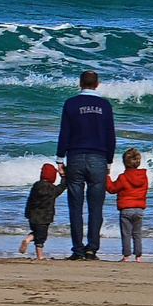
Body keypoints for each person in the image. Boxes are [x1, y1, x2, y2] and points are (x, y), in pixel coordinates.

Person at [57, 70, 117, 260]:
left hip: (75, 156)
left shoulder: (71, 104)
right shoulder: (105, 105)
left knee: (75, 206)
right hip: (98, 158)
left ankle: (77, 249)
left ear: (80, 83)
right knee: (95, 207)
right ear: (97, 84)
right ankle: (92, 249)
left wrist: (59, 159)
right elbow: (111, 137)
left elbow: (64, 133)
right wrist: (109, 161)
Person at [107, 148, 148, 262]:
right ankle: (138, 256)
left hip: (126, 208)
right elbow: (144, 191)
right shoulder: (144, 177)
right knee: (137, 233)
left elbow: (112, 189)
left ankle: (126, 256)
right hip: (139, 208)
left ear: (125, 163)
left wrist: (107, 177)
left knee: (126, 233)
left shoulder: (123, 177)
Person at [21, 162, 62, 259]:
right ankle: (39, 256)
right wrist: (64, 176)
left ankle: (27, 240)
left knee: (36, 232)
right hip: (44, 217)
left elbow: (29, 200)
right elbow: (61, 187)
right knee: (41, 238)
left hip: (32, 215)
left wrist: (27, 213)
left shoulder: (36, 186)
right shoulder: (52, 189)